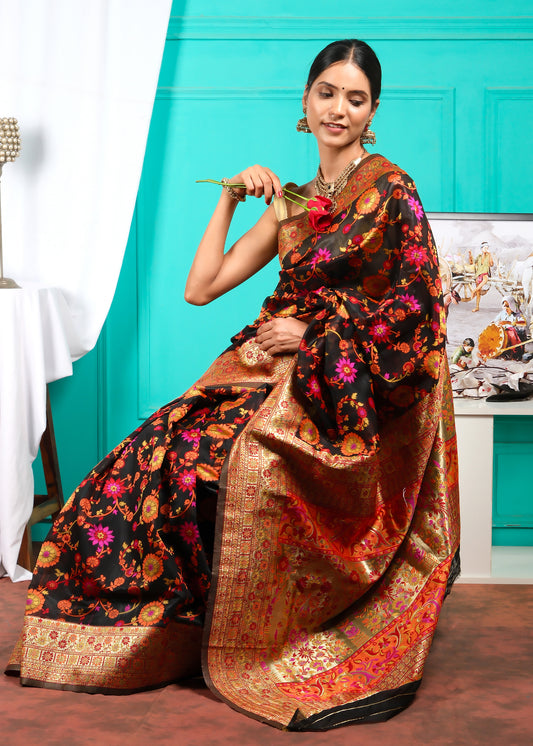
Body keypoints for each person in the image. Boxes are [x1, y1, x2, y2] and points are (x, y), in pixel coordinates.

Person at [6, 40, 460, 731]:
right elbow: (201, 288)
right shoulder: (293, 203)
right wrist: (227, 198)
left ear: (372, 115)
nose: (339, 109)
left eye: (355, 99)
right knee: (150, 456)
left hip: (342, 388)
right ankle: (168, 634)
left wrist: (315, 337)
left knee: (217, 460)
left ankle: (259, 633)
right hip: (259, 370)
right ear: (305, 104)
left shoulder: (390, 190)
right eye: (327, 94)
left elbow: (417, 308)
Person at [471, 241, 494, 312]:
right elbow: (472, 262)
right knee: (478, 293)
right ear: (481, 249)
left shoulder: (488, 256)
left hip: (485, 273)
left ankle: (474, 290)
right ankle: (477, 307)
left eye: (487, 248)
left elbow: (491, 264)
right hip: (478, 274)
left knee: (485, 279)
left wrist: (490, 255)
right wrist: (470, 255)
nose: (486, 249)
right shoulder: (479, 256)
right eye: (484, 248)